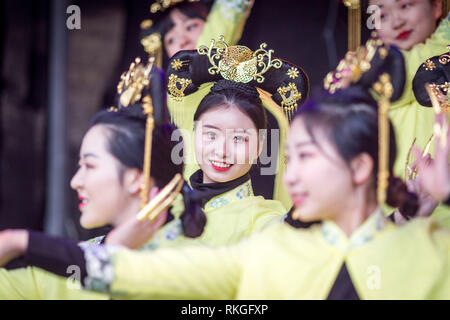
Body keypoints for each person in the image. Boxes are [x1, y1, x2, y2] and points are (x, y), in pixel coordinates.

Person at [167, 38, 309, 209]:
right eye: (211, 135)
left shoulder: (265, 223)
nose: (222, 151)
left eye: (238, 139)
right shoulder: (166, 211)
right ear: (194, 133)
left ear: (259, 145)